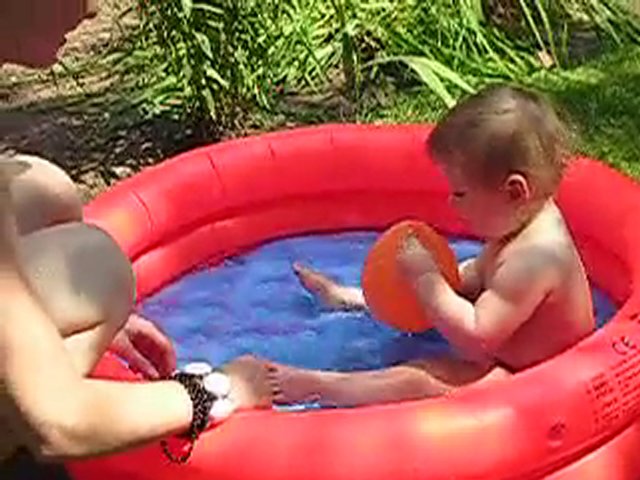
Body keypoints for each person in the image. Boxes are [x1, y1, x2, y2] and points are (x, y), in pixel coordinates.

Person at [1, 0, 270, 468]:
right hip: (54, 421)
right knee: (97, 268)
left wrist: (45, 325)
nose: (93, 10)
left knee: (47, 192)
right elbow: (58, 424)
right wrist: (213, 390)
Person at [236, 84, 596, 408]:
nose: (451, 204)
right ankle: (351, 299)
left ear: (515, 191)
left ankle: (316, 386)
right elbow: (476, 279)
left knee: (419, 379)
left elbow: (475, 339)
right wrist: (434, 280)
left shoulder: (535, 258)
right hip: (507, 351)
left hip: (537, 381)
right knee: (443, 302)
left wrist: (427, 279)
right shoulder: (520, 220)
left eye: (461, 193)